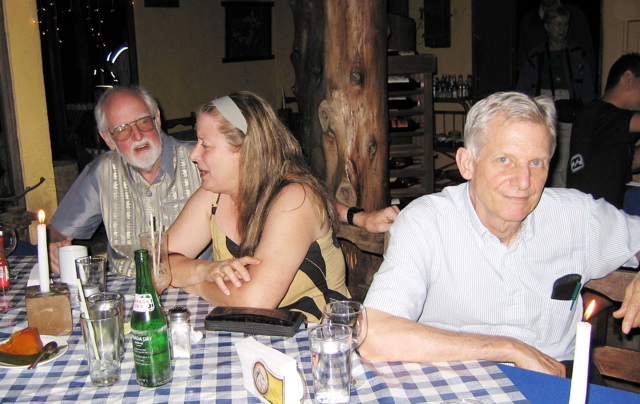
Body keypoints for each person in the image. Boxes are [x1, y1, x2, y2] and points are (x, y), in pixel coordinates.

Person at [360, 92, 640, 380]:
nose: (523, 182)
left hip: (553, 379)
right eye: (505, 160)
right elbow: (374, 334)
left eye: (536, 163)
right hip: (455, 379)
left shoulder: (577, 216)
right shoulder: (427, 222)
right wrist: (509, 349)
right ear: (467, 163)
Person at [48, 86, 400, 277]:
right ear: (108, 138)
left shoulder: (209, 168)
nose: (137, 135)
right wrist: (53, 249)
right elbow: (61, 236)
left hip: (213, 298)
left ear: (156, 118)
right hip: (145, 292)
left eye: (142, 122)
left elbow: (288, 183)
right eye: (122, 130)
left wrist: (356, 216)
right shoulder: (102, 174)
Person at [166, 91, 350, 322]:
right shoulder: (212, 195)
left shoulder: (296, 198)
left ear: (245, 151)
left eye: (206, 145)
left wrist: (198, 286)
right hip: (252, 338)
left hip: (315, 340)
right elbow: (154, 264)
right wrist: (203, 271)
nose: (194, 154)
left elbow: (254, 302)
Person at [516, 4, 595, 187]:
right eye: (557, 24)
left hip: (568, 110)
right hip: (542, 107)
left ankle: (560, 200)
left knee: (562, 159)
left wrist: (588, 115)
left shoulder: (576, 54)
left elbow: (587, 88)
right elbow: (523, 88)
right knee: (538, 154)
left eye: (565, 24)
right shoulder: (536, 55)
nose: (562, 29)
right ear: (547, 27)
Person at [566, 53, 640, 209]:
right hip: (588, 221)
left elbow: (629, 162)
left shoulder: (615, 126)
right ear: (628, 78)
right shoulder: (596, 114)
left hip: (608, 221)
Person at [518, 0, 595, 78]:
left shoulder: (576, 18)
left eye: (565, 25)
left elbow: (589, 62)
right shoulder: (528, 24)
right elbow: (522, 67)